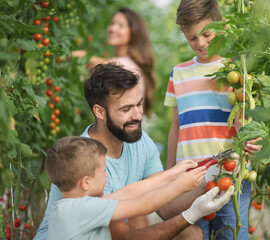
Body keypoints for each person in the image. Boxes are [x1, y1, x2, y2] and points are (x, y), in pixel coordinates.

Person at [35, 62, 222, 240]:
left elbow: (150, 199)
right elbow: (122, 233)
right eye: (126, 109)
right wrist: (191, 213)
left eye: (139, 104)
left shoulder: (138, 140)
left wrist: (209, 179)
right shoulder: (86, 163)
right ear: (100, 112)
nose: (138, 115)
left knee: (190, 234)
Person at [160, 0, 262, 239]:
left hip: (229, 173)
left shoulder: (235, 69)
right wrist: (169, 172)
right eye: (192, 38)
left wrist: (251, 139)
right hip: (189, 179)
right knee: (194, 234)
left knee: (232, 233)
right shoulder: (179, 72)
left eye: (206, 34)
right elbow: (177, 125)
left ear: (220, 25)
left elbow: (243, 122)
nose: (201, 43)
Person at [45, 136, 234, 239]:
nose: (106, 175)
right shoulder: (84, 210)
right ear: (86, 182)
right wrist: (181, 190)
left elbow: (126, 193)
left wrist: (172, 173)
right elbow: (146, 203)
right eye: (103, 171)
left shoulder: (69, 207)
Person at [73, 7, 155, 118]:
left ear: (133, 32)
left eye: (120, 26)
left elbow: (89, 61)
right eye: (112, 23)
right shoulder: (128, 62)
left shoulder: (126, 64)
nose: (112, 28)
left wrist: (68, 53)